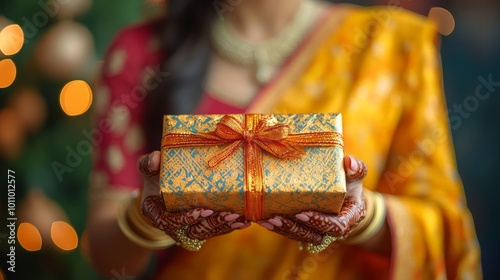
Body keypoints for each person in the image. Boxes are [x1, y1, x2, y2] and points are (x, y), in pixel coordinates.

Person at [86, 0, 482, 279]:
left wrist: (365, 217)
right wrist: (146, 215)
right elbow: (109, 258)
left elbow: (448, 234)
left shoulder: (391, 46)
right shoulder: (140, 52)